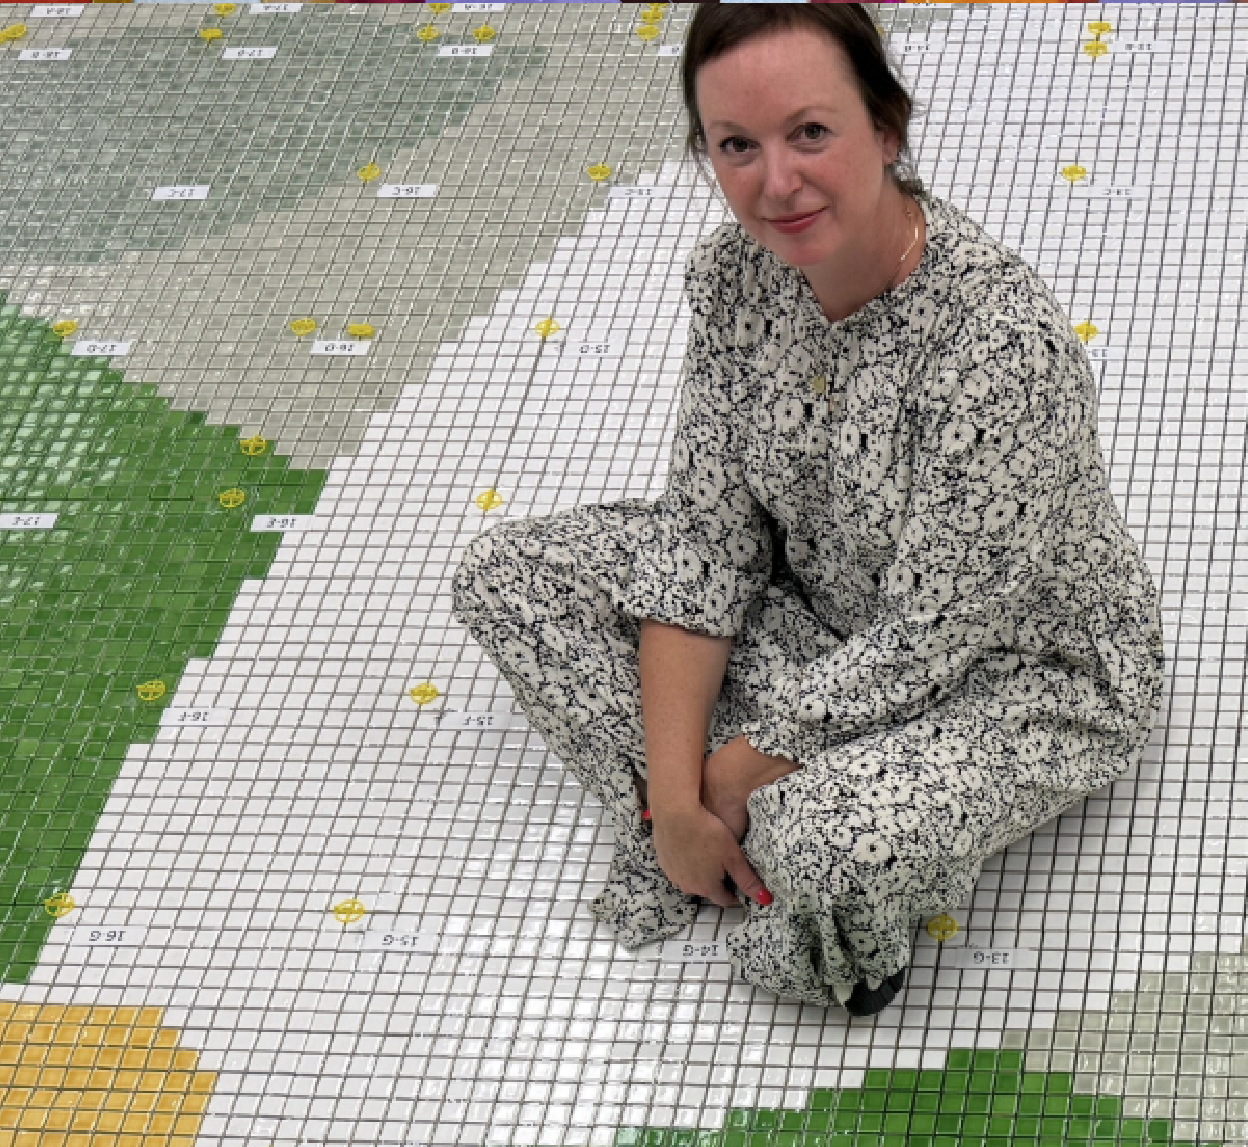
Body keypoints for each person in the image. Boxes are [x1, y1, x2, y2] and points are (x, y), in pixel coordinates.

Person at [451, 2, 1163, 1017]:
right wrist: (678, 797)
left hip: (1007, 675)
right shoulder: (736, 281)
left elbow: (930, 639)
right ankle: (705, 837)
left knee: (821, 844)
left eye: (810, 132)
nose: (775, 182)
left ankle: (777, 852)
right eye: (736, 145)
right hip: (820, 612)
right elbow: (704, 545)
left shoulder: (1001, 349)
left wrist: (729, 775)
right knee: (509, 579)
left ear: (886, 127)